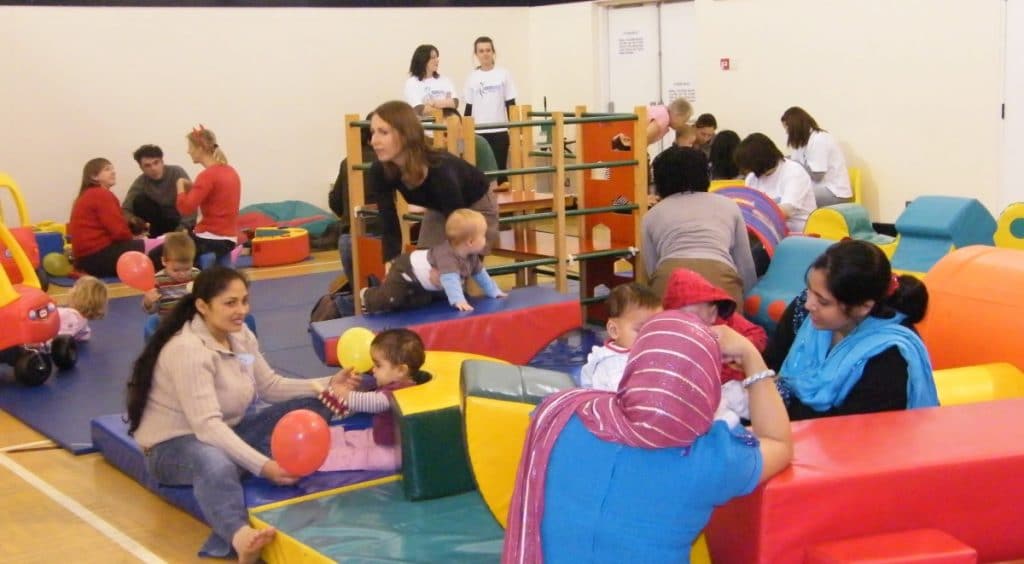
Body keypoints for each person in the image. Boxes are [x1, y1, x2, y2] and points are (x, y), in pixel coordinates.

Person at [503, 311, 793, 563]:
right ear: (707, 388)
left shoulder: (564, 413)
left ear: (634, 364)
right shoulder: (710, 458)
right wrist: (752, 358)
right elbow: (779, 441)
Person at [127, 266, 352, 562]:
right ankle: (240, 536)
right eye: (230, 303)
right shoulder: (188, 351)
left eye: (244, 301)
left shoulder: (240, 334)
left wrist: (327, 384)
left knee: (315, 403)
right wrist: (264, 466)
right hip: (174, 448)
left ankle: (236, 466)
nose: (241, 310)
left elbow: (270, 386)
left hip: (229, 430)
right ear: (202, 306)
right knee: (213, 461)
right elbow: (207, 428)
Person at [763, 240, 938, 421]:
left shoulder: (890, 356)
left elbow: (850, 426)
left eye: (823, 301)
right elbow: (770, 364)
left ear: (863, 307)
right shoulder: (803, 312)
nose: (809, 303)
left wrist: (774, 399)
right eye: (810, 290)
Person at [366, 100, 499, 265]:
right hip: (440, 207)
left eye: (383, 132)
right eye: (373, 132)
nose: (374, 141)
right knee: (424, 264)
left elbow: (459, 227)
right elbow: (388, 222)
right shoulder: (379, 170)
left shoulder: (439, 170)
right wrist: (390, 262)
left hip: (475, 207)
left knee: (450, 265)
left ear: (406, 134)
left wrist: (453, 265)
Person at [642, 146, 757, 302]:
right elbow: (745, 265)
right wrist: (747, 301)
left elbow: (651, 268)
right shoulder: (728, 205)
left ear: (660, 180)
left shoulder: (652, 215)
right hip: (720, 279)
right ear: (705, 174)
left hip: (669, 279)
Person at [319, 328, 431, 472]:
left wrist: (344, 393)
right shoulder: (395, 385)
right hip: (383, 439)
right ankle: (331, 440)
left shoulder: (400, 392)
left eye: (378, 365)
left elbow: (373, 403)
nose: (373, 370)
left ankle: (325, 459)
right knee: (357, 436)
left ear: (401, 370)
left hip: (395, 452)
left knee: (360, 457)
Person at [361, 209, 506, 313]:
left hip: (423, 283)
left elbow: (481, 275)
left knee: (420, 301)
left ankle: (387, 290)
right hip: (405, 270)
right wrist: (458, 301)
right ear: (470, 242)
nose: (486, 239)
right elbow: (450, 281)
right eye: (483, 236)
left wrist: (494, 292)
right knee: (392, 299)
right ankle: (367, 295)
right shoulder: (447, 257)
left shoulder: (471, 256)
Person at [661, 267, 766, 383]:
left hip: (733, 384)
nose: (689, 326)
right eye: (679, 321)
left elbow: (759, 335)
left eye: (694, 318)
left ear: (713, 312)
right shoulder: (668, 339)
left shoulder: (727, 321)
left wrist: (741, 346)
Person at [69, 158, 160, 277]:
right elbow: (119, 232)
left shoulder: (87, 194)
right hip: (98, 257)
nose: (113, 172)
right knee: (162, 245)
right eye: (107, 169)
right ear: (94, 176)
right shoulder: (100, 194)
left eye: (112, 169)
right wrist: (135, 239)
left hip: (86, 260)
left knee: (152, 244)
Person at [175, 125, 241, 265]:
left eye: (190, 147)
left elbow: (185, 208)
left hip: (210, 238)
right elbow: (216, 194)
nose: (188, 151)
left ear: (200, 148)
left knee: (163, 252)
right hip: (229, 239)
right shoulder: (230, 171)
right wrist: (193, 187)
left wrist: (180, 185)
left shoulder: (207, 175)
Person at [579, 282, 662, 392]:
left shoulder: (638, 351)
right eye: (640, 330)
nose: (650, 336)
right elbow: (624, 396)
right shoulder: (613, 364)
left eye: (656, 329)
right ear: (614, 330)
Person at [329, 112, 380, 285]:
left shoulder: (348, 162)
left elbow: (335, 202)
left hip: (348, 238)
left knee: (362, 293)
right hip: (377, 237)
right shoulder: (389, 162)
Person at [734, 132, 817, 233]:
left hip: (796, 234)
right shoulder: (752, 178)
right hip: (765, 232)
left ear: (759, 162)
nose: (748, 171)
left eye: (750, 166)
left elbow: (786, 211)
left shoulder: (794, 172)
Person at [464, 36, 517, 184]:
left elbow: (511, 103)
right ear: (476, 54)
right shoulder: (472, 77)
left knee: (500, 172)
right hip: (478, 132)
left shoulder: (503, 74)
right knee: (480, 173)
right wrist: (464, 131)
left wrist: (515, 129)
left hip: (499, 130)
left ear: (493, 52)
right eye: (481, 51)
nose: (485, 54)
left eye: (488, 50)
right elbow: (468, 107)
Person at [781, 106, 853, 207]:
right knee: (787, 193)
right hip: (820, 188)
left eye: (787, 128)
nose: (787, 132)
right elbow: (795, 161)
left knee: (793, 196)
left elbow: (817, 176)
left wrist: (795, 163)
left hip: (835, 192)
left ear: (795, 127)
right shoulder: (802, 142)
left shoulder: (820, 139)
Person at [122, 144, 194, 237]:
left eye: (156, 163)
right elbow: (126, 209)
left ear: (162, 162)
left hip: (179, 222)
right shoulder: (141, 181)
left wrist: (181, 231)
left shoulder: (177, 172)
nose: (153, 168)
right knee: (140, 201)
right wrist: (133, 220)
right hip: (158, 224)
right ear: (141, 168)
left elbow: (192, 203)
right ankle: (155, 240)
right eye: (147, 166)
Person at [143, 231, 201, 317]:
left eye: (187, 269)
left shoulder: (196, 275)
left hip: (191, 319)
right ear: (164, 261)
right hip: (169, 322)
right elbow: (152, 311)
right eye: (176, 270)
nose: (182, 274)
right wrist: (148, 302)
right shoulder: (158, 280)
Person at [611, 98, 693, 150]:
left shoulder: (662, 111)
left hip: (621, 138)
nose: (683, 124)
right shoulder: (664, 118)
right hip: (622, 141)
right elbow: (644, 138)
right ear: (678, 115)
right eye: (684, 120)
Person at [404, 44, 458, 115]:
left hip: (447, 121)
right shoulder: (412, 83)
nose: (437, 60)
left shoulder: (445, 80)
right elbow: (420, 109)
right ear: (423, 60)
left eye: (437, 57)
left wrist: (433, 103)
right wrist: (445, 106)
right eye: (433, 58)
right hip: (427, 122)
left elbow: (455, 103)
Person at [57, 275, 108, 342]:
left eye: (73, 287)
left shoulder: (69, 314)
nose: (69, 290)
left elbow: (59, 340)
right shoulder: (83, 319)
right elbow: (84, 335)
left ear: (77, 296)